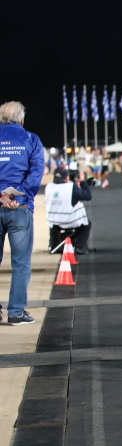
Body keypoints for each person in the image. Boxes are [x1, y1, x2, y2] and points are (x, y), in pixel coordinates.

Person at [0, 102, 45, 325]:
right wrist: (17, 197)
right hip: (20, 208)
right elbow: (36, 174)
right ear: (21, 120)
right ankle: (16, 313)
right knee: (20, 264)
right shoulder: (31, 140)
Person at [45, 168, 92, 254]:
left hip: (54, 221)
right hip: (70, 220)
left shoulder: (49, 187)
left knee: (54, 225)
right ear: (66, 178)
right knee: (86, 224)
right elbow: (88, 196)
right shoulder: (71, 187)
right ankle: (79, 246)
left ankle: (54, 245)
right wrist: (83, 183)